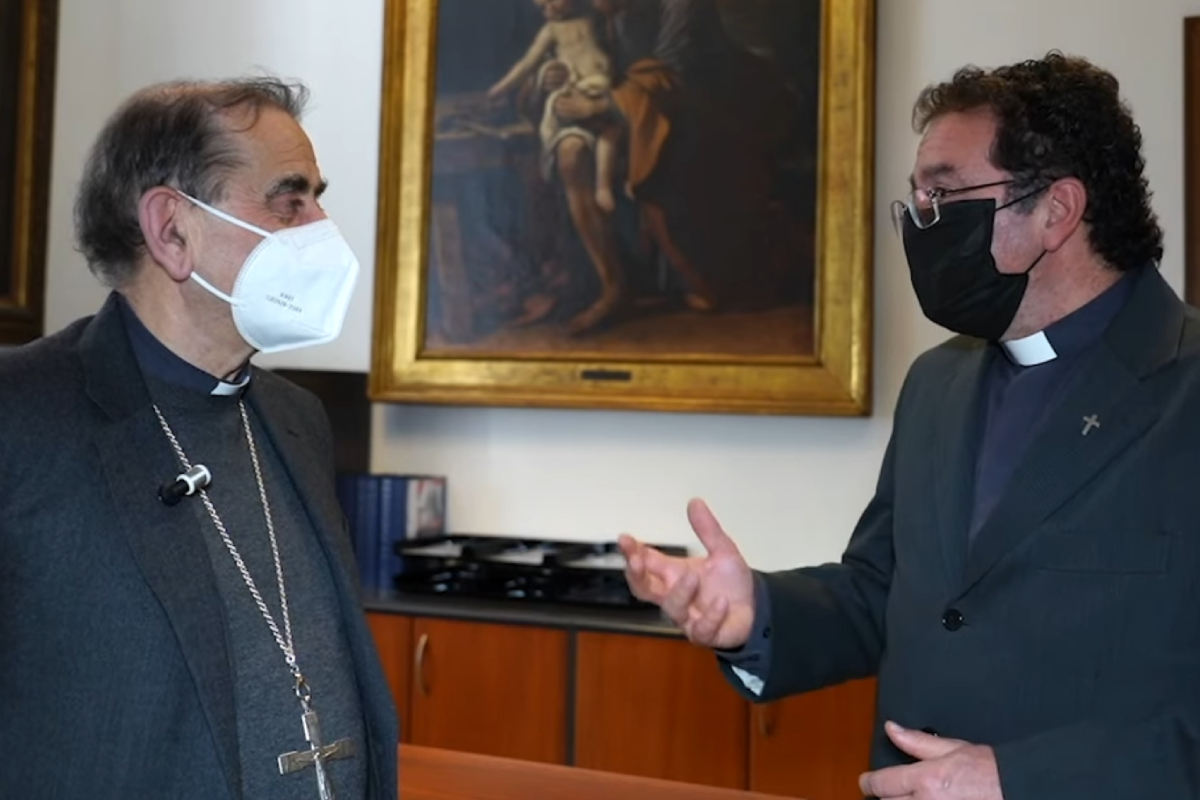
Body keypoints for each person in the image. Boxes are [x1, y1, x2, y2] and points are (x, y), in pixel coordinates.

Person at [619, 51, 1200, 799]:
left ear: (1056, 211)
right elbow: (883, 593)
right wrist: (755, 613)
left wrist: (1020, 779)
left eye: (944, 194)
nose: (921, 222)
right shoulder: (938, 381)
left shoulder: (1185, 388)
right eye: (917, 198)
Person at [0, 78, 399, 799]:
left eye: (317, 197)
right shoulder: (21, 416)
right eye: (289, 199)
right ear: (172, 230)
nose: (321, 226)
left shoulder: (298, 419)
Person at [487, 0, 623, 213]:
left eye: (551, 2)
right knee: (575, 146)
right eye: (542, 7)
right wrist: (500, 89)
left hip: (602, 90)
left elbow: (620, 58)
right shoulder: (551, 30)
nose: (547, 9)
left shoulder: (597, 18)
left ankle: (603, 186)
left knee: (611, 131)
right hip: (576, 91)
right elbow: (527, 64)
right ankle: (600, 187)